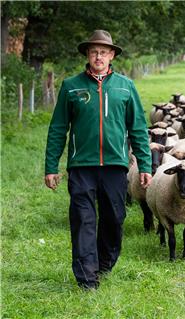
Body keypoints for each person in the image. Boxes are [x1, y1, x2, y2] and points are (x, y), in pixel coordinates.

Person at [44, 30, 152, 290]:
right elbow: (58, 128)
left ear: (112, 55)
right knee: (83, 220)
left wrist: (145, 165)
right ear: (87, 55)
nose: (98, 56)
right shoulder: (72, 86)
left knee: (114, 218)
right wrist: (51, 166)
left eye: (104, 51)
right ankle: (86, 277)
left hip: (115, 166)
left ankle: (104, 262)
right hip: (81, 166)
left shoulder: (126, 87)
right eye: (94, 51)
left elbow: (138, 127)